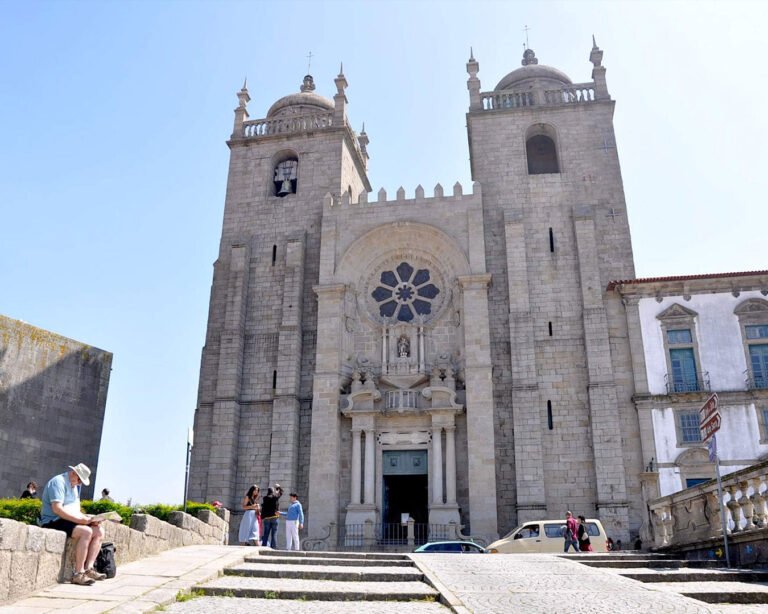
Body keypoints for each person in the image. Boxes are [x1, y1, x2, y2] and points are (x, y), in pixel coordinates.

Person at [39, 463, 106, 586]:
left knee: (99, 531)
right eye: (80, 479)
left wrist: (89, 519)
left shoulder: (74, 486)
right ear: (74, 473)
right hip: (53, 520)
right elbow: (57, 509)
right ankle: (78, 574)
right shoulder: (58, 482)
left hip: (66, 519)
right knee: (86, 531)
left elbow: (74, 510)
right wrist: (81, 521)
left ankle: (89, 569)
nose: (80, 483)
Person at [260, 484, 283, 548]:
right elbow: (281, 493)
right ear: (273, 492)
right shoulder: (275, 498)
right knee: (274, 534)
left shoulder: (265, 498)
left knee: (266, 534)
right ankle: (274, 546)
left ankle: (264, 546)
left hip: (267, 518)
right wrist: (278, 487)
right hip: (274, 518)